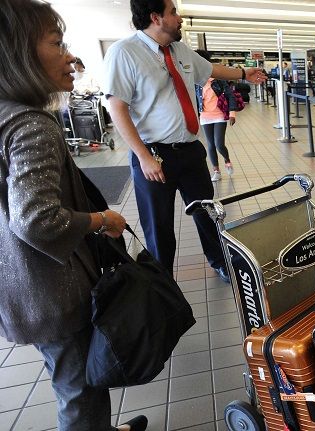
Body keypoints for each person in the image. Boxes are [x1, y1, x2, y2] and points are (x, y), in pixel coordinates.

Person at [0, 1, 145, 430]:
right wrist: (101, 220)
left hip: (18, 283)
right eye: (57, 43)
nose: (69, 56)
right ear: (21, 53)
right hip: (51, 288)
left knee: (68, 378)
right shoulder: (30, 124)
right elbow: (37, 219)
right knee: (80, 389)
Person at [102, 0, 268, 279]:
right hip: (154, 155)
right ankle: (162, 279)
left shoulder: (179, 50)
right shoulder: (124, 52)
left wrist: (243, 74)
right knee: (159, 224)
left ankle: (220, 261)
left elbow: (211, 69)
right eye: (173, 12)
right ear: (156, 18)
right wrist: (143, 156)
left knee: (208, 213)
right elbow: (116, 108)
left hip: (190, 150)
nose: (179, 18)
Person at [194, 49, 238, 182]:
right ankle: (216, 171)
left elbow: (230, 95)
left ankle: (227, 160)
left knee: (219, 144)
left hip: (219, 115)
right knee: (210, 145)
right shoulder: (195, 81)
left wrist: (232, 113)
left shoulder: (218, 79)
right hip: (205, 116)